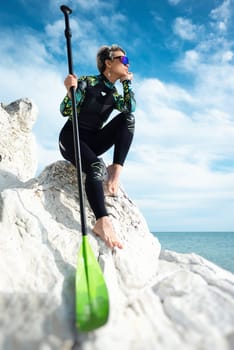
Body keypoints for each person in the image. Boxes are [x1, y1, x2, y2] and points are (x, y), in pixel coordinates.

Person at [59, 44, 136, 249]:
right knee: (95, 168)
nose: (128, 64)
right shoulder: (87, 82)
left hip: (93, 141)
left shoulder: (115, 94)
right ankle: (102, 221)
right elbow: (65, 110)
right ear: (108, 63)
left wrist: (127, 83)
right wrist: (70, 91)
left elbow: (130, 107)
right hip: (71, 138)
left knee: (127, 119)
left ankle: (116, 170)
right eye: (124, 60)